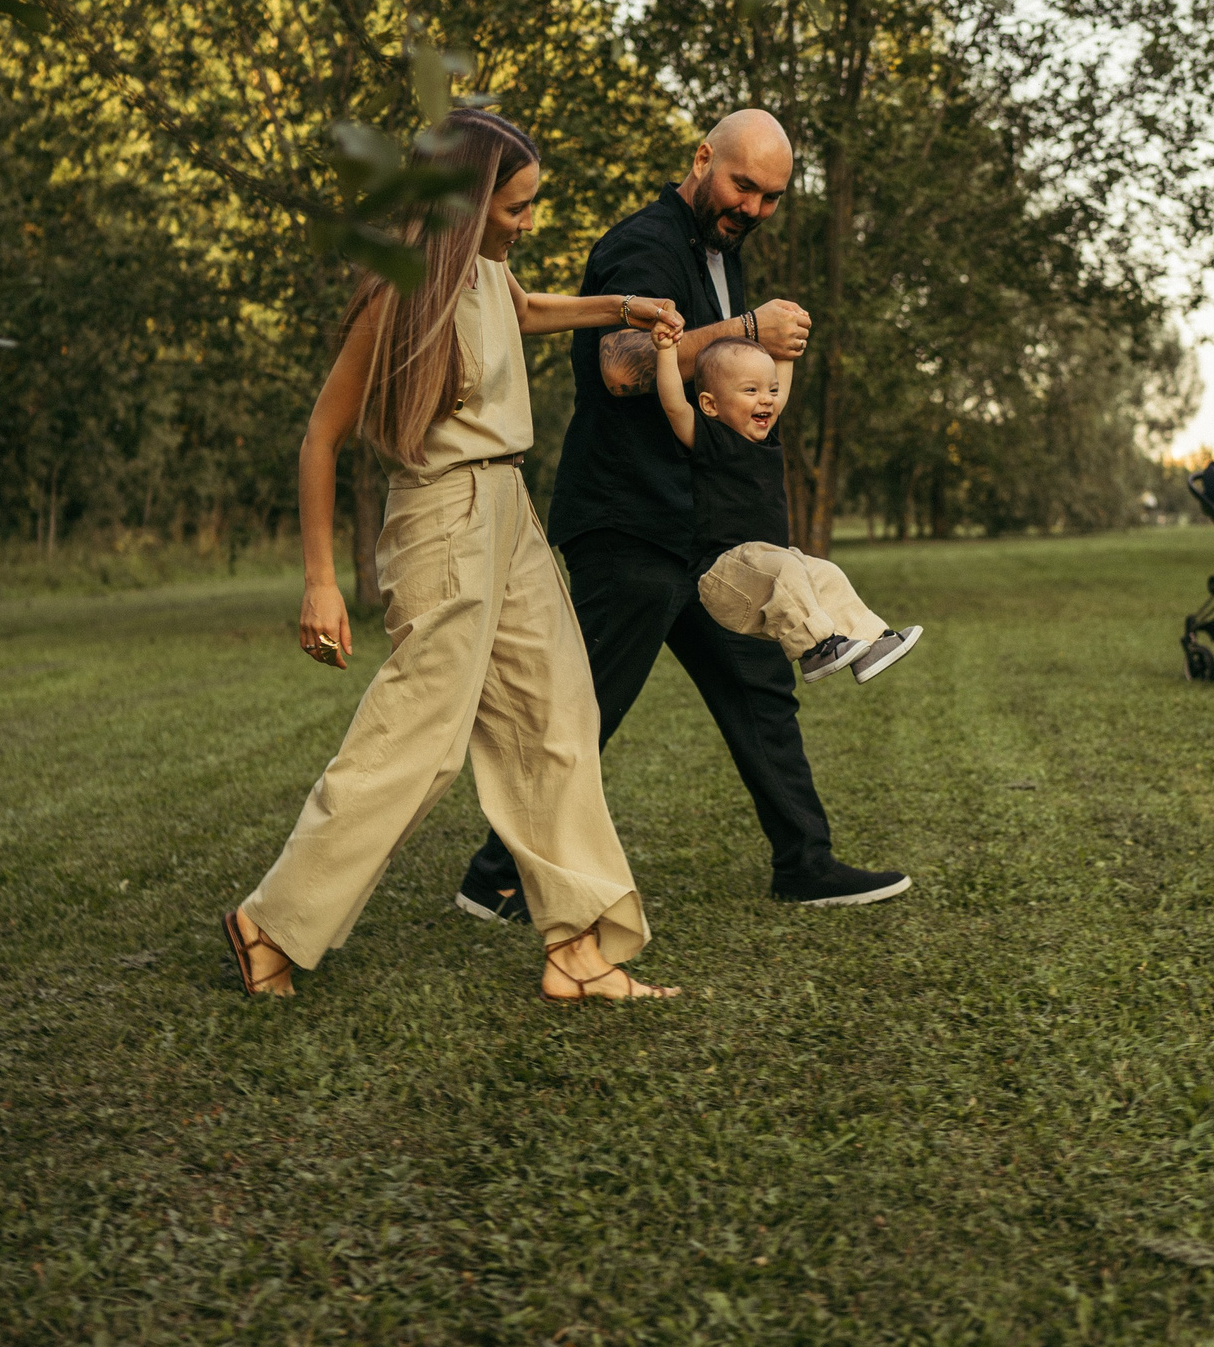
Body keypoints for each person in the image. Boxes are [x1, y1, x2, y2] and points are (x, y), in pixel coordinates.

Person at [221, 108, 685, 1002]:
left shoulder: (487, 268)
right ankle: (269, 924)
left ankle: (578, 950)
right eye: (516, 206)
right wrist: (320, 583)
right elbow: (321, 437)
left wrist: (627, 307)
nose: (528, 221)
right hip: (443, 516)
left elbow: (531, 310)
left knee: (556, 714)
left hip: (508, 510)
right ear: (469, 202)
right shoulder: (398, 294)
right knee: (419, 741)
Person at [453, 110, 912, 921]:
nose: (754, 208)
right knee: (589, 704)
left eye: (771, 197)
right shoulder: (643, 243)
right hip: (629, 521)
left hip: (711, 531)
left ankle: (805, 863)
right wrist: (745, 329)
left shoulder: (724, 251)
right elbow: (622, 367)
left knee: (761, 689)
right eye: (743, 186)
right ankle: (494, 875)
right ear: (703, 158)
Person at [650, 326, 922, 682]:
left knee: (825, 573)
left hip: (765, 578)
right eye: (751, 390)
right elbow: (673, 405)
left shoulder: (766, 438)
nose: (767, 399)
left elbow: (782, 387)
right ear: (710, 404)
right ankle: (814, 650)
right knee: (785, 565)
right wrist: (666, 352)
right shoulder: (709, 439)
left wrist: (788, 350)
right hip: (723, 576)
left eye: (771, 390)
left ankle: (872, 643)